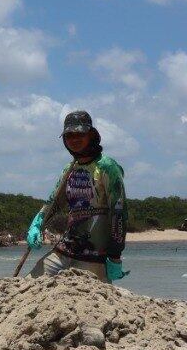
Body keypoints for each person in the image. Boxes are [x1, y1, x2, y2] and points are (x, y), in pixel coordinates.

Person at [26, 110, 128, 283]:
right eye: (69, 135)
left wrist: (115, 256)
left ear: (91, 135)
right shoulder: (69, 169)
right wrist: (37, 223)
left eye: (80, 134)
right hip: (65, 249)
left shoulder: (107, 167)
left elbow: (119, 213)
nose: (74, 139)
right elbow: (54, 203)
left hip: (95, 254)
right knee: (29, 283)